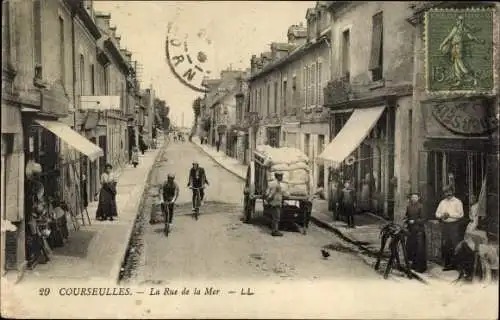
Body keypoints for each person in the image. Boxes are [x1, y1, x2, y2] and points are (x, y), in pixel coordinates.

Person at [435, 185, 464, 271]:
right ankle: (448, 264)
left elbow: (461, 214)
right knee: (446, 245)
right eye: (446, 192)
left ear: (452, 192)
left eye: (449, 192)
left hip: (454, 225)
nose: (448, 194)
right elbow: (437, 213)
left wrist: (450, 215)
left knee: (455, 245)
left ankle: (457, 265)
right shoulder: (442, 202)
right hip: (445, 226)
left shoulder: (458, 202)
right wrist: (441, 216)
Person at [404, 192, 427, 273]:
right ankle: (413, 265)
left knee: (419, 249)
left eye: (415, 197)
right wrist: (406, 219)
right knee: (411, 248)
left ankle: (420, 268)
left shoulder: (421, 206)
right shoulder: (409, 206)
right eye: (412, 197)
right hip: (411, 231)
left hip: (419, 231)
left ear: (419, 198)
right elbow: (407, 216)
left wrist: (414, 221)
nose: (413, 199)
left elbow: (423, 219)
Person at [265, 172, 287, 237]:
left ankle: (274, 230)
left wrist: (268, 198)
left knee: (275, 217)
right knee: (276, 218)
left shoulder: (271, 183)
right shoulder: (277, 185)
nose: (282, 178)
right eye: (281, 176)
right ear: (278, 177)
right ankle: (275, 231)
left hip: (273, 202)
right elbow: (273, 193)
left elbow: (267, 192)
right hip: (276, 203)